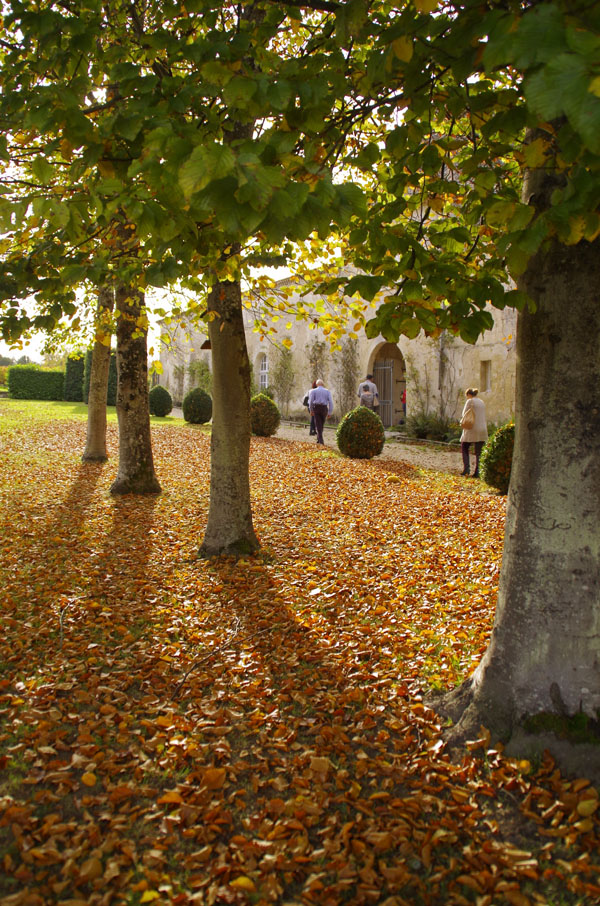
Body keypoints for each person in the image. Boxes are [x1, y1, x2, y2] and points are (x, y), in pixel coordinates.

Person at [460, 388, 488, 478]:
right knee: (479, 451)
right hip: (482, 429)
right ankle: (478, 472)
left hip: (472, 428)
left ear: (468, 394)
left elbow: (464, 413)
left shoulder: (470, 401)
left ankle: (466, 469)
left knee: (464, 446)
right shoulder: (481, 402)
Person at [309, 379, 333, 445]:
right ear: (323, 384)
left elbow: (311, 401)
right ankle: (319, 439)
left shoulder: (313, 391)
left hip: (316, 407)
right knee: (321, 424)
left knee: (318, 424)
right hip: (324, 408)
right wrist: (330, 412)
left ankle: (321, 441)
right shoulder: (327, 391)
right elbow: (331, 402)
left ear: (316, 384)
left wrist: (311, 410)